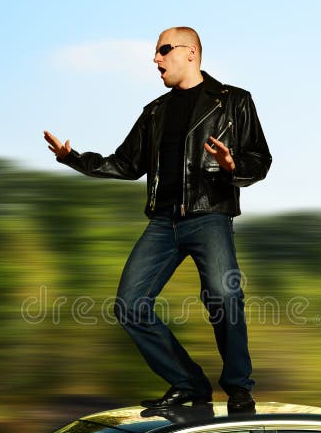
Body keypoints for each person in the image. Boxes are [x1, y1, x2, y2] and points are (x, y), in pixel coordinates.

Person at [44, 26, 271, 411]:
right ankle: (188, 383)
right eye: (156, 52)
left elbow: (260, 159)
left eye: (163, 50)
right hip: (163, 223)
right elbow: (126, 163)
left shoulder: (234, 102)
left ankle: (238, 387)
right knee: (130, 304)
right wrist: (73, 158)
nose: (156, 59)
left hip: (209, 215)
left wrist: (232, 165)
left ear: (190, 53)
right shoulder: (155, 113)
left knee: (224, 295)